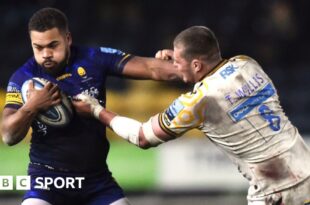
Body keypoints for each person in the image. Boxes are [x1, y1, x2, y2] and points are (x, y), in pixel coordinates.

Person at [73, 26, 310, 205]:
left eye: (177, 62)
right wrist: (181, 60)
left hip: (274, 192)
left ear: (196, 65)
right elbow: (213, 72)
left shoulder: (196, 103)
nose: (173, 66)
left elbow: (142, 137)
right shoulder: (247, 63)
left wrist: (96, 110)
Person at [1, 7, 179, 205]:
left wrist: (183, 64)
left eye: (53, 45)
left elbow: (151, 68)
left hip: (96, 181)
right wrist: (32, 106)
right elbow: (8, 136)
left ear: (67, 38)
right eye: (38, 48)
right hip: (47, 181)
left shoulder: (94, 58)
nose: (46, 54)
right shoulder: (23, 78)